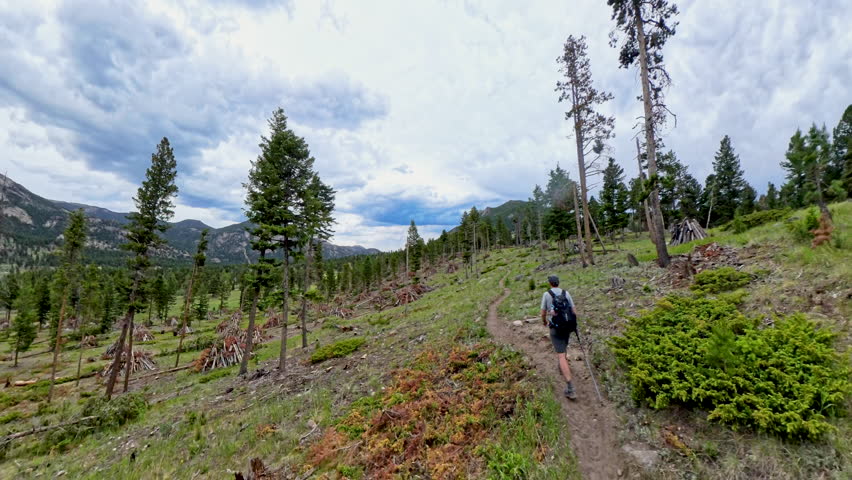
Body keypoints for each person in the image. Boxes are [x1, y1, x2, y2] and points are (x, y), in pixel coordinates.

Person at [540, 275, 578, 400]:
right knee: (564, 348)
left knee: (560, 354)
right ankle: (563, 365)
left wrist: (544, 322)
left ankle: (570, 387)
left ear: (550, 283)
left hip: (555, 327)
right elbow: (573, 311)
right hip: (567, 326)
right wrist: (574, 324)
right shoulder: (566, 293)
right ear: (558, 282)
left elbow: (543, 312)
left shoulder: (546, 294)